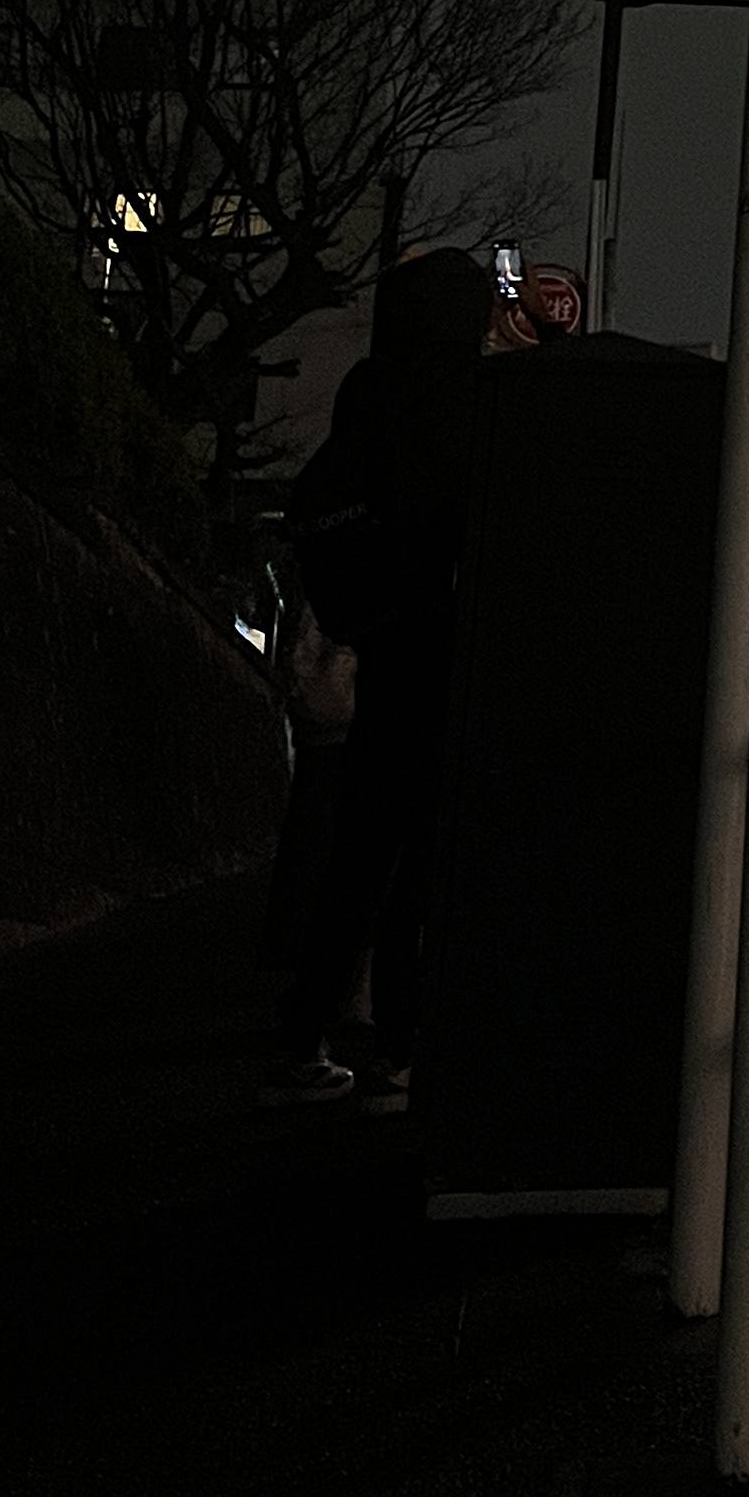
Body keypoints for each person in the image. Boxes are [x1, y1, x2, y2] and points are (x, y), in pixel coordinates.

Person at [262, 249, 492, 1107]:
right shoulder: (467, 401)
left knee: (358, 861)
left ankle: (300, 1039)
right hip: (442, 653)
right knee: (422, 872)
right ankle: (402, 1050)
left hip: (383, 653)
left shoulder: (372, 390)